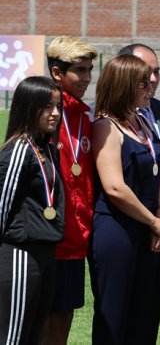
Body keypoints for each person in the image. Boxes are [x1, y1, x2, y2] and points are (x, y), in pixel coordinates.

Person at [88, 55, 160, 345]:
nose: (150, 89)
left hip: (149, 230)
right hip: (117, 229)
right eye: (142, 84)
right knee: (114, 314)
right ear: (124, 86)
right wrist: (154, 222)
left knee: (142, 313)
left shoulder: (141, 121)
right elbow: (114, 187)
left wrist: (158, 220)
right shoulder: (105, 126)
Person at [118, 43, 160, 344]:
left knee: (150, 308)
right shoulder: (107, 117)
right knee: (121, 311)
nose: (152, 79)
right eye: (145, 73)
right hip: (124, 224)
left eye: (156, 72)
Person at [0, 77, 64, 345]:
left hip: (44, 254)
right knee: (12, 338)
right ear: (29, 107)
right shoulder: (18, 150)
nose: (56, 113)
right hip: (20, 256)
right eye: (48, 107)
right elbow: (1, 208)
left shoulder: (44, 147)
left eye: (57, 106)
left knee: (34, 335)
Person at [41, 37, 97, 345]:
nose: (87, 78)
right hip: (46, 237)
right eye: (79, 70)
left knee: (63, 317)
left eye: (89, 70)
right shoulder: (43, 115)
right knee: (38, 319)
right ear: (57, 73)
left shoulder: (86, 117)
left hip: (77, 237)